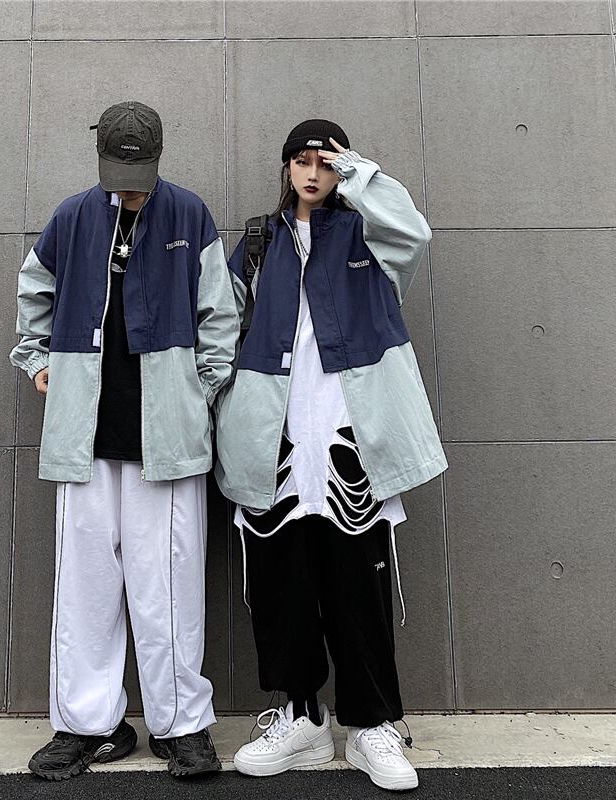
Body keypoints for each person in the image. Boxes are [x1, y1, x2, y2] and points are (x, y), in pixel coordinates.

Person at [214, 120, 447, 792]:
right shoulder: (258, 243)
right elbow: (219, 324)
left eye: (326, 162)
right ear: (286, 168)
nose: (313, 173)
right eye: (303, 161)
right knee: (281, 590)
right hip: (275, 442)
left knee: (358, 590)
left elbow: (414, 233)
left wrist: (360, 172)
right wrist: (216, 401)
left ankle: (371, 726)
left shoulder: (369, 235)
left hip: (353, 441)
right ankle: (302, 720)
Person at [10, 101, 238, 781]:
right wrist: (37, 358)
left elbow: (219, 313)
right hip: (83, 436)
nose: (129, 188)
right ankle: (87, 726)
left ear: (158, 159)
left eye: (138, 176)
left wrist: (200, 389)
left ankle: (183, 725)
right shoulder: (73, 217)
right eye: (118, 175)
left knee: (170, 589)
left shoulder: (189, 215)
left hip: (166, 439)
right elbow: (34, 290)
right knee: (84, 588)